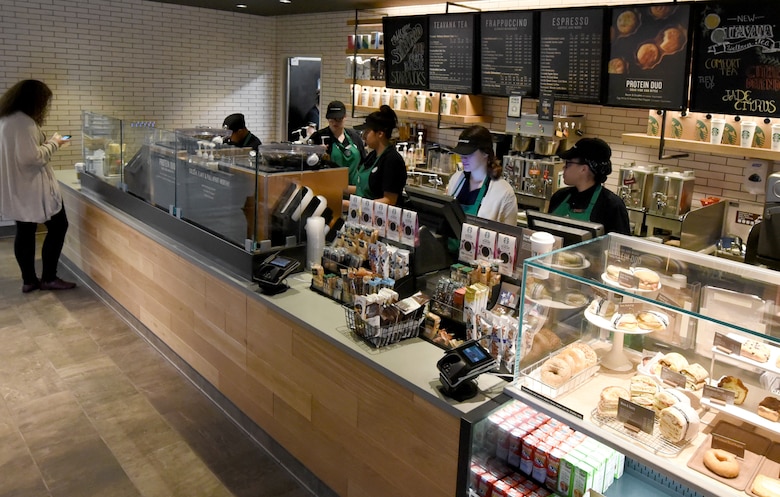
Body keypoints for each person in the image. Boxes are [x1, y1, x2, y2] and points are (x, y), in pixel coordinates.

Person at [0, 79, 75, 293]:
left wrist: (46, 142)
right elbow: (31, 158)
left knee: (24, 231)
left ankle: (29, 280)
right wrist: (55, 143)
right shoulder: (24, 123)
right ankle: (49, 277)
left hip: (16, 187)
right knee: (59, 226)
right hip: (31, 188)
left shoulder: (6, 118)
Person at [548, 137, 631, 235]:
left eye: (568, 164)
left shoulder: (612, 206)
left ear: (584, 169)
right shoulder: (559, 196)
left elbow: (620, 247)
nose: (564, 167)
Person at [447, 125, 518, 225]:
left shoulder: (504, 193)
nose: (463, 158)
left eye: (469, 153)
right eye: (462, 153)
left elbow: (510, 237)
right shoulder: (456, 179)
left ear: (485, 153)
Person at [350, 105, 407, 205]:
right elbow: (361, 189)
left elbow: (389, 200)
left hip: (381, 218)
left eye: (367, 132)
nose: (363, 136)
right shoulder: (372, 155)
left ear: (380, 134)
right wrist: (337, 188)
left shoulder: (392, 161)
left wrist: (354, 205)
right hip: (363, 216)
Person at [308, 101, 366, 185]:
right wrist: (317, 155)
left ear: (345, 116)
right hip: (328, 188)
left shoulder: (354, 137)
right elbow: (309, 167)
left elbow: (363, 164)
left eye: (339, 119)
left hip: (353, 189)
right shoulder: (318, 137)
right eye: (332, 119)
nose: (335, 122)